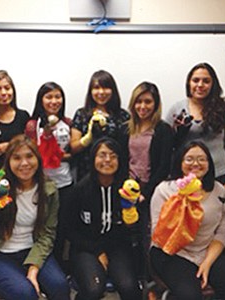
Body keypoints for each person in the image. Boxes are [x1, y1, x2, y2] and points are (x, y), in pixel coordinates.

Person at [0, 134, 70, 300]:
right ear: (8, 162)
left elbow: (48, 233)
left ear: (38, 159)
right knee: (26, 294)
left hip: (30, 249)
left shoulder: (49, 190)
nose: (24, 163)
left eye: (29, 156)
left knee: (60, 287)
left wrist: (33, 268)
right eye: (17, 158)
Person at [149, 141, 225, 300]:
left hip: (206, 250)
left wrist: (207, 263)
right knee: (190, 295)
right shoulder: (165, 189)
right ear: (180, 163)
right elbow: (157, 232)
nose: (195, 163)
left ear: (209, 164)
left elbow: (222, 231)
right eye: (189, 159)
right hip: (172, 252)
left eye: (202, 159)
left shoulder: (219, 190)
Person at [66, 137, 142, 300]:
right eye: (102, 155)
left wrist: (133, 217)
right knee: (94, 288)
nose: (107, 160)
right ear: (93, 159)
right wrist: (97, 251)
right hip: (85, 247)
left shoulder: (127, 189)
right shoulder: (80, 190)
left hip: (117, 246)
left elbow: (132, 229)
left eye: (113, 156)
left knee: (130, 288)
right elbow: (68, 230)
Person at [121, 81, 174, 279]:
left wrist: (145, 193)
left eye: (148, 102)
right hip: (127, 190)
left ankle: (149, 280)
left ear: (156, 104)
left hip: (151, 192)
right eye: (138, 102)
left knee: (148, 238)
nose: (143, 106)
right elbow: (121, 160)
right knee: (128, 236)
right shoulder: (126, 128)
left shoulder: (163, 130)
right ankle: (131, 277)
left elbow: (163, 166)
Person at [166, 63, 225, 191]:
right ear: (189, 83)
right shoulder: (177, 109)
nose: (200, 85)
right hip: (185, 178)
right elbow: (166, 145)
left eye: (206, 81)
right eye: (196, 80)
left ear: (213, 84)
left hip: (218, 176)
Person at [25, 81, 73, 270]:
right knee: (39, 227)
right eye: (49, 97)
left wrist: (58, 155)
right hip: (40, 184)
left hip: (65, 182)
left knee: (61, 228)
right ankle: (37, 266)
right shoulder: (32, 124)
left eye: (57, 96)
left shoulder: (68, 123)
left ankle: (59, 267)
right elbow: (28, 153)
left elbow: (73, 151)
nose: (54, 101)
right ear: (41, 100)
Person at [70, 70, 130, 181]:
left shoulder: (123, 116)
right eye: (96, 88)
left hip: (116, 174)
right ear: (90, 91)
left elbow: (128, 149)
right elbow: (73, 148)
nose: (101, 92)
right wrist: (87, 138)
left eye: (106, 88)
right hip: (87, 175)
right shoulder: (82, 114)